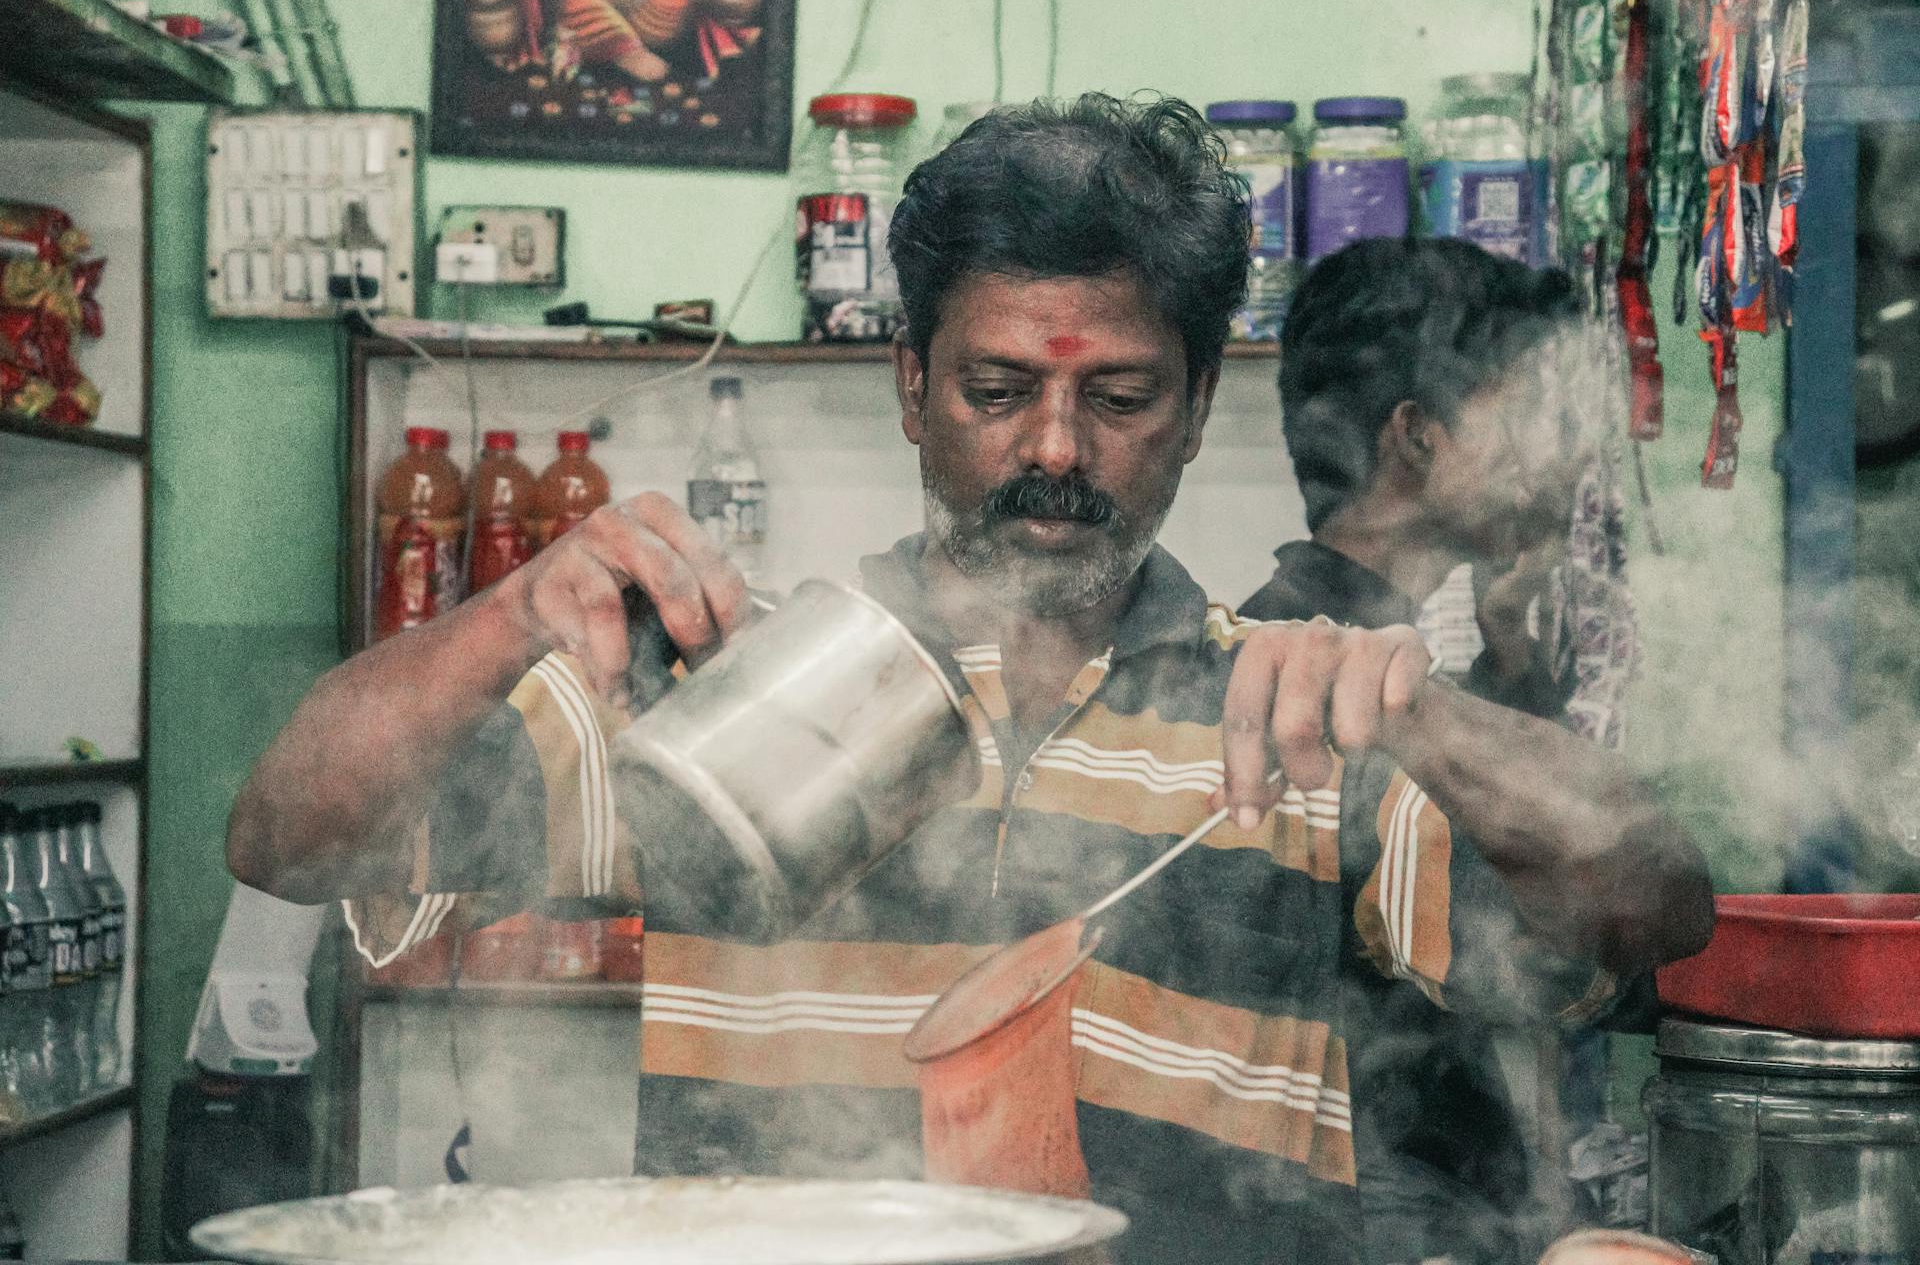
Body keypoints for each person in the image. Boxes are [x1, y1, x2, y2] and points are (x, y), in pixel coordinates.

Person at [228, 97, 1712, 1265]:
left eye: (1116, 397)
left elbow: (1653, 910)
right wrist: (506, 620)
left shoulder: (1289, 716)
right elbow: (291, 841)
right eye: (998, 391)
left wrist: (1429, 716)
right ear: (911, 389)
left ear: (1196, 410)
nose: (1055, 451)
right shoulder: (710, 682)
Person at [1242, 237, 1632, 1262]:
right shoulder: (1320, 689)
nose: (1561, 451)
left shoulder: (1371, 659)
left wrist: (1515, 672)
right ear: (1416, 436)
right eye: (1526, 414)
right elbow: (1552, 956)